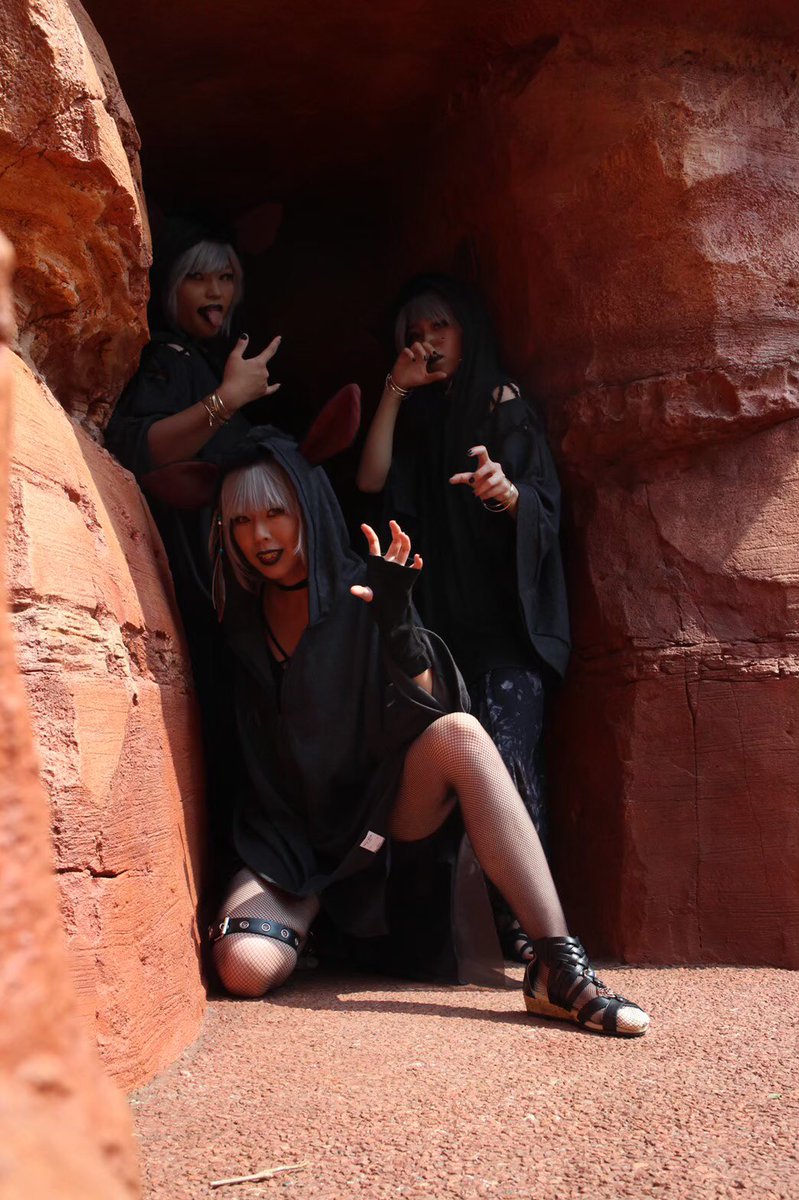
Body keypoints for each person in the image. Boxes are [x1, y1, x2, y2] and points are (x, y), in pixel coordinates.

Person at [201, 411, 648, 1037]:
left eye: (276, 512)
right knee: (244, 967)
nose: (260, 535)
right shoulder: (237, 618)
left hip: (378, 818)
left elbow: (433, 708)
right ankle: (322, 928)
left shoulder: (365, 589)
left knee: (461, 735)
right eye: (241, 521)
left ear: (307, 507)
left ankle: (556, 964)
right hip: (290, 845)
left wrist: (399, 630)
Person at [356, 275, 570, 963]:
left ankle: (532, 931)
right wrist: (395, 391)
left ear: (467, 330)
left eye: (439, 326)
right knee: (459, 768)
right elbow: (369, 481)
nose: (427, 341)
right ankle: (480, 931)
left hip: (506, 631)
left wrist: (504, 493)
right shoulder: (419, 421)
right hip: (442, 633)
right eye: (413, 332)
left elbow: (540, 501)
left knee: (509, 757)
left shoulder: (501, 401)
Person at [104, 215, 282, 881]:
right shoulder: (168, 360)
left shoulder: (209, 360)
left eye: (226, 276)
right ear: (171, 287)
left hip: (230, 588)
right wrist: (225, 402)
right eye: (199, 277)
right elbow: (136, 445)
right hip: (189, 585)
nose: (216, 290)